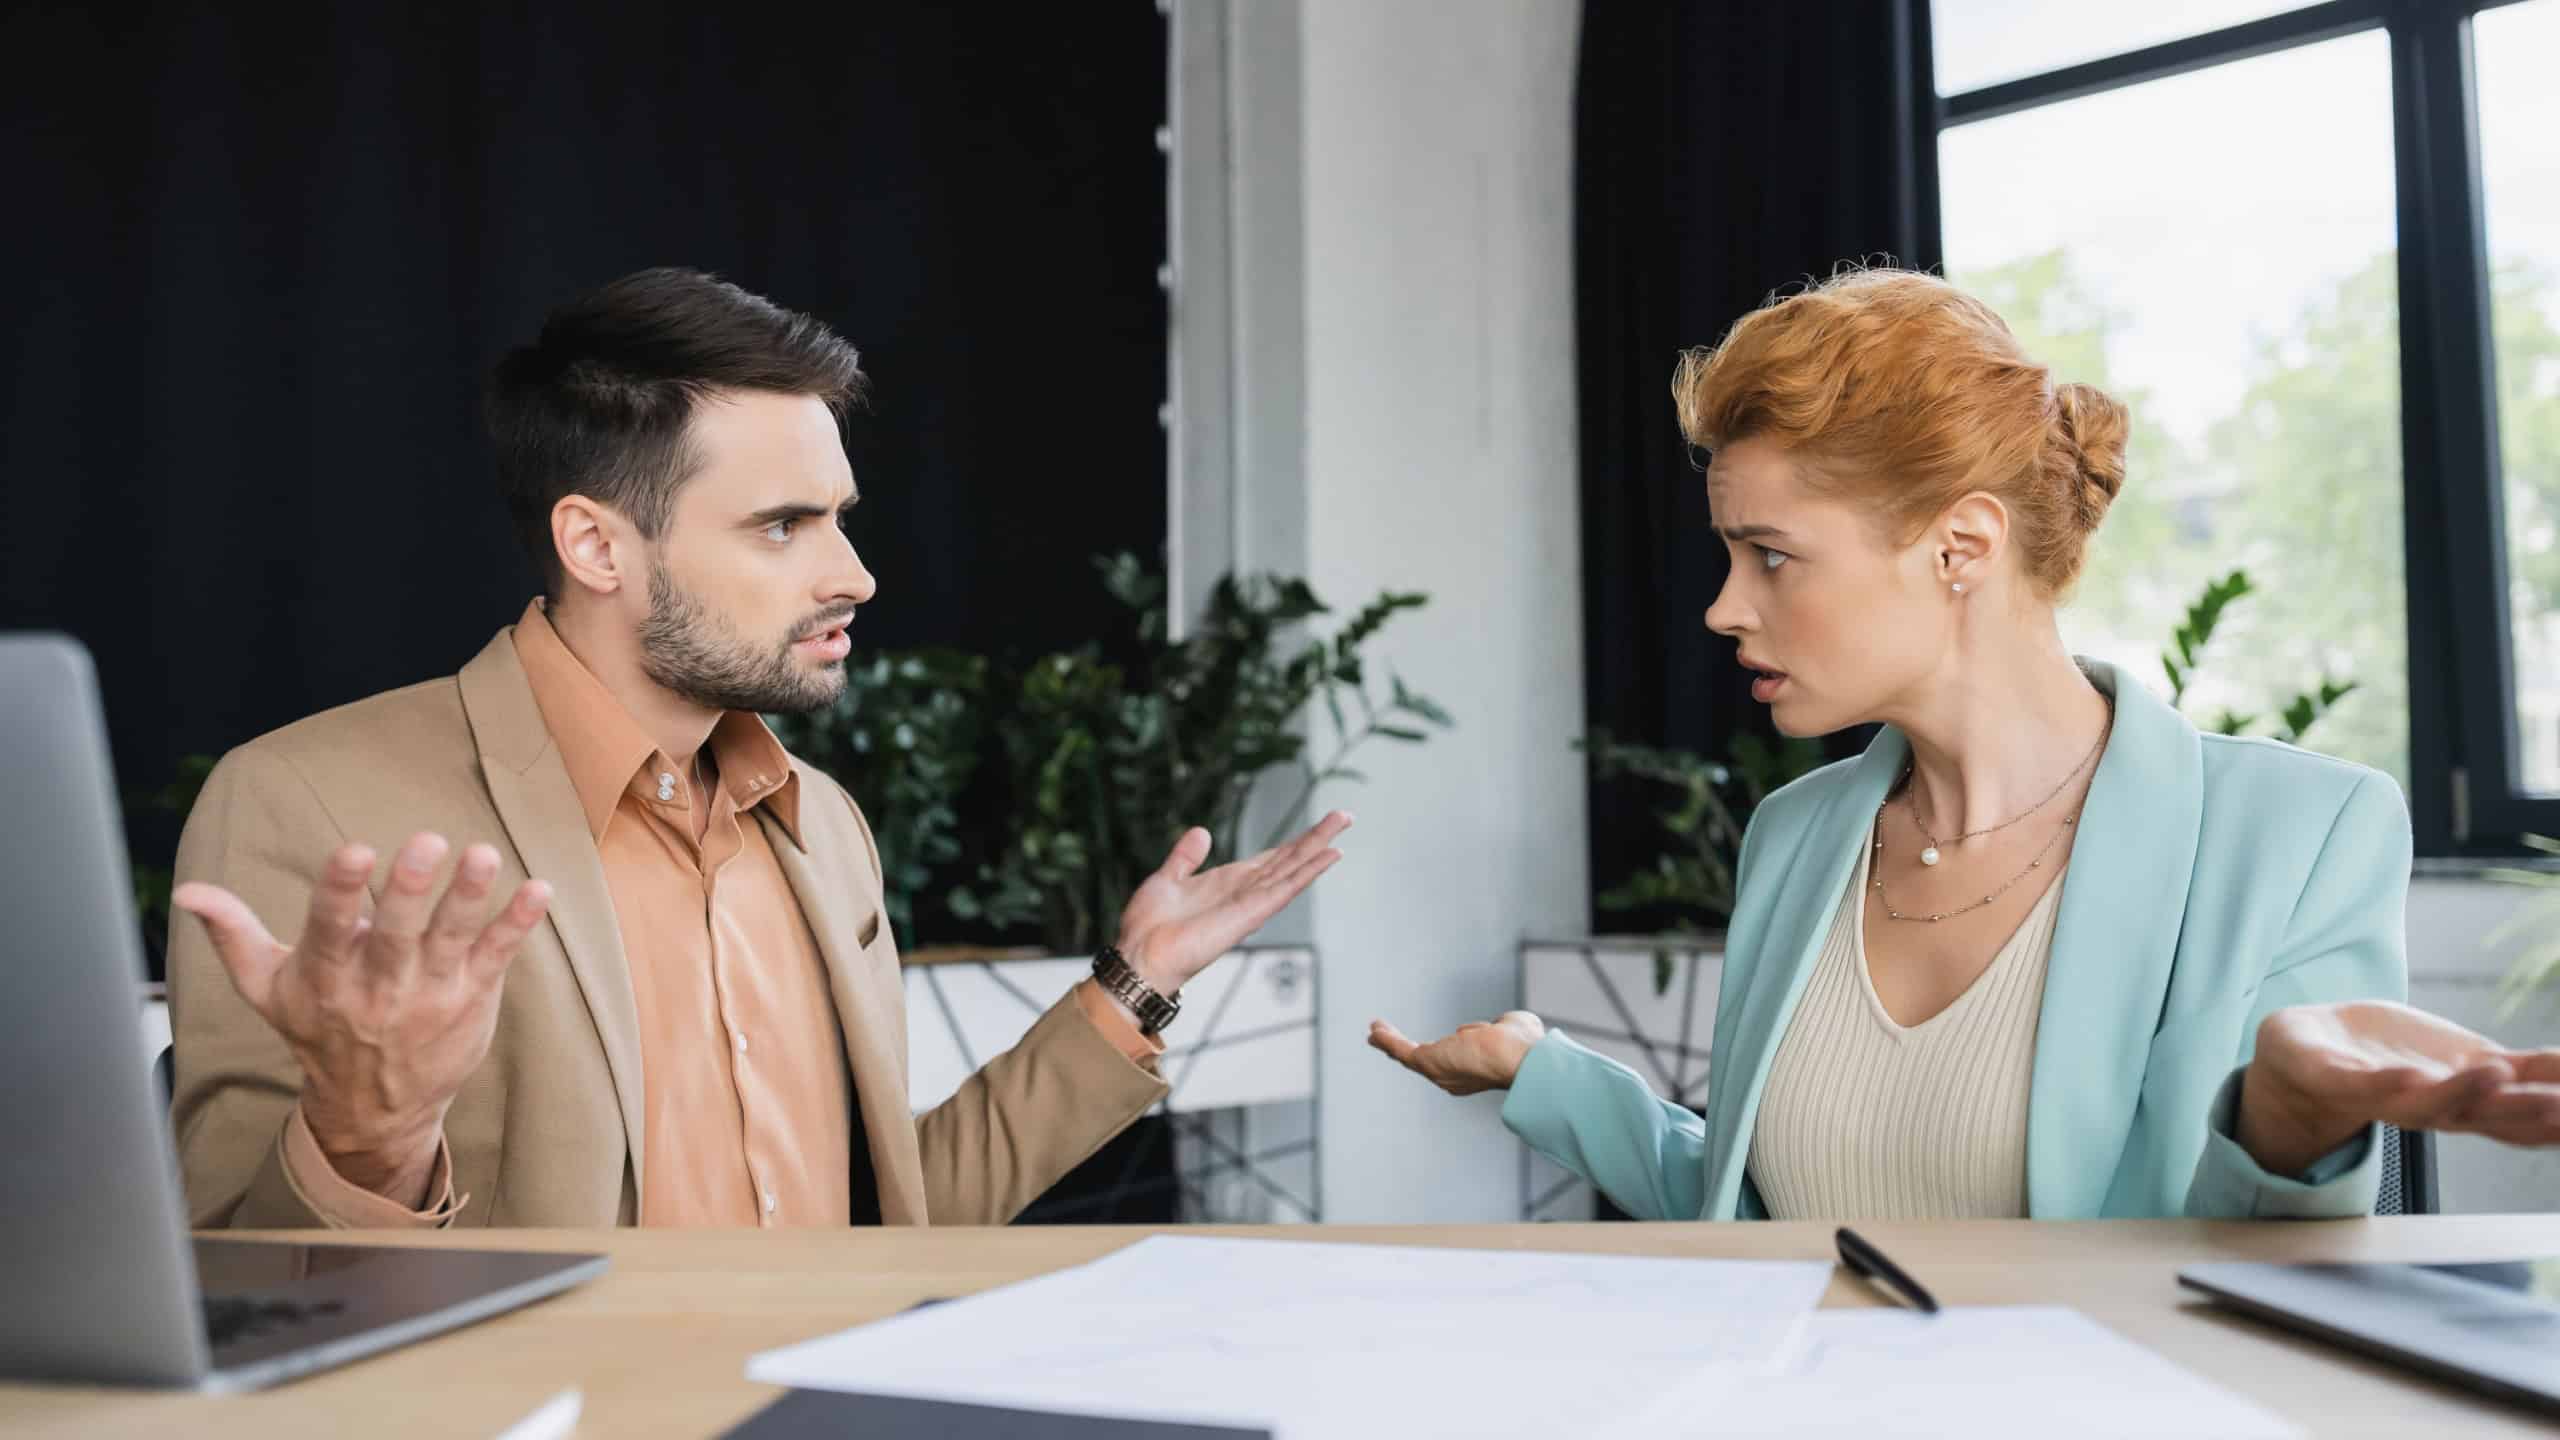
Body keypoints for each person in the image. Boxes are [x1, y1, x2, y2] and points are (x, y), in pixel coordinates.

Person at [169, 267, 1351, 1229]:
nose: (855, 575)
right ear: (595, 544)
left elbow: (895, 1220)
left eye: (840, 518)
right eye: (783, 525)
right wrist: (365, 1139)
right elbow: (231, 1278)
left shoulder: (821, 822)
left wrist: (1131, 983)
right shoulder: (308, 803)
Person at [1371, 267, 2560, 1221]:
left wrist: (2286, 1131)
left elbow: (2258, 1305)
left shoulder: (2300, 833)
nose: (1722, 608)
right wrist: (1544, 1073)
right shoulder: (1799, 835)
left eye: (1771, 554)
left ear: (1960, 546)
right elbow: (1763, 1213)